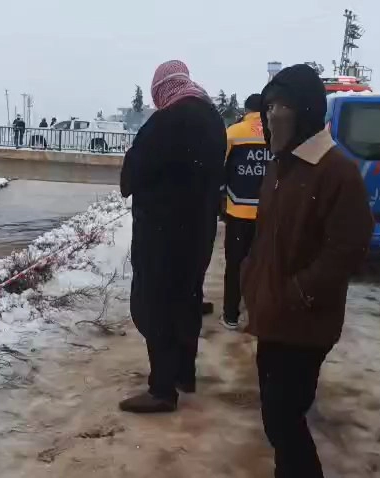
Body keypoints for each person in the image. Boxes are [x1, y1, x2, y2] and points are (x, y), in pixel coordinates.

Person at [241, 64, 373, 477]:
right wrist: (251, 277)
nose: (272, 116)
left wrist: (298, 292)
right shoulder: (281, 164)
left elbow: (348, 247)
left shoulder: (335, 171)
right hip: (273, 315)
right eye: (268, 107)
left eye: (282, 106)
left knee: (284, 416)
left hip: (305, 322)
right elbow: (266, 235)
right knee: (275, 415)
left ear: (306, 110)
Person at [119, 60, 225, 413]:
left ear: (161, 88)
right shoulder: (213, 120)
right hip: (198, 233)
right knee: (186, 301)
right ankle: (183, 373)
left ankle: (162, 390)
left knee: (155, 307)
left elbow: (131, 176)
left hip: (162, 234)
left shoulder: (166, 121)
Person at [220, 93, 269, 330]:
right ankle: (259, 316)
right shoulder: (277, 133)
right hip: (269, 215)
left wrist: (221, 198)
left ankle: (231, 315)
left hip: (238, 212)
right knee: (264, 266)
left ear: (247, 110)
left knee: (235, 266)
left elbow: (220, 168)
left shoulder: (234, 132)